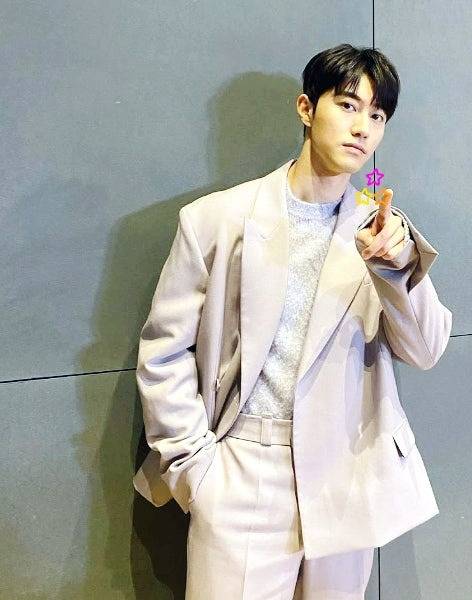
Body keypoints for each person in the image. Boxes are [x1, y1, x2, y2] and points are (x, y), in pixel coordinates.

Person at [133, 43, 452, 599]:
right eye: (348, 106)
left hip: (345, 474)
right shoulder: (216, 220)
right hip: (243, 469)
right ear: (306, 108)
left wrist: (396, 268)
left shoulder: (380, 231)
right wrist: (195, 469)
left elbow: (426, 350)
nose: (363, 128)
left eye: (377, 116)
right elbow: (164, 351)